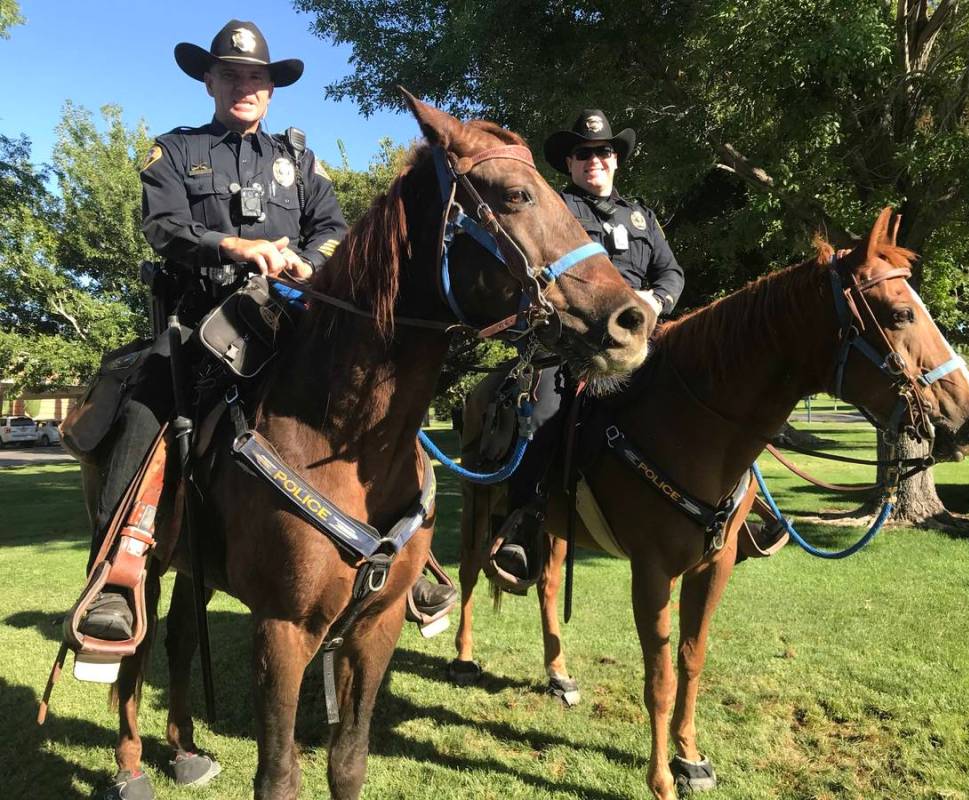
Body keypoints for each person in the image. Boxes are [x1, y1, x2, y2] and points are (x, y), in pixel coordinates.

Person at [79, 19, 454, 642]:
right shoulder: (174, 152)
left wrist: (311, 260)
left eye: (256, 77)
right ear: (209, 80)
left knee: (377, 389)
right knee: (147, 400)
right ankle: (118, 569)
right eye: (230, 74)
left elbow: (333, 227)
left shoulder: (299, 159)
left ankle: (409, 556)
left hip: (290, 319)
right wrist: (234, 245)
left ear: (272, 89)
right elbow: (164, 226)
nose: (244, 86)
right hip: (201, 322)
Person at [489, 109, 685, 585]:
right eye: (583, 153)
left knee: (706, 388)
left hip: (645, 342)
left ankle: (741, 501)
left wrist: (654, 299)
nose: (594, 159)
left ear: (616, 159)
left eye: (603, 151)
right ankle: (525, 522)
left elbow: (671, 273)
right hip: (574, 349)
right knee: (542, 414)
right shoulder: (557, 210)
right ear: (571, 164)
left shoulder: (642, 217)